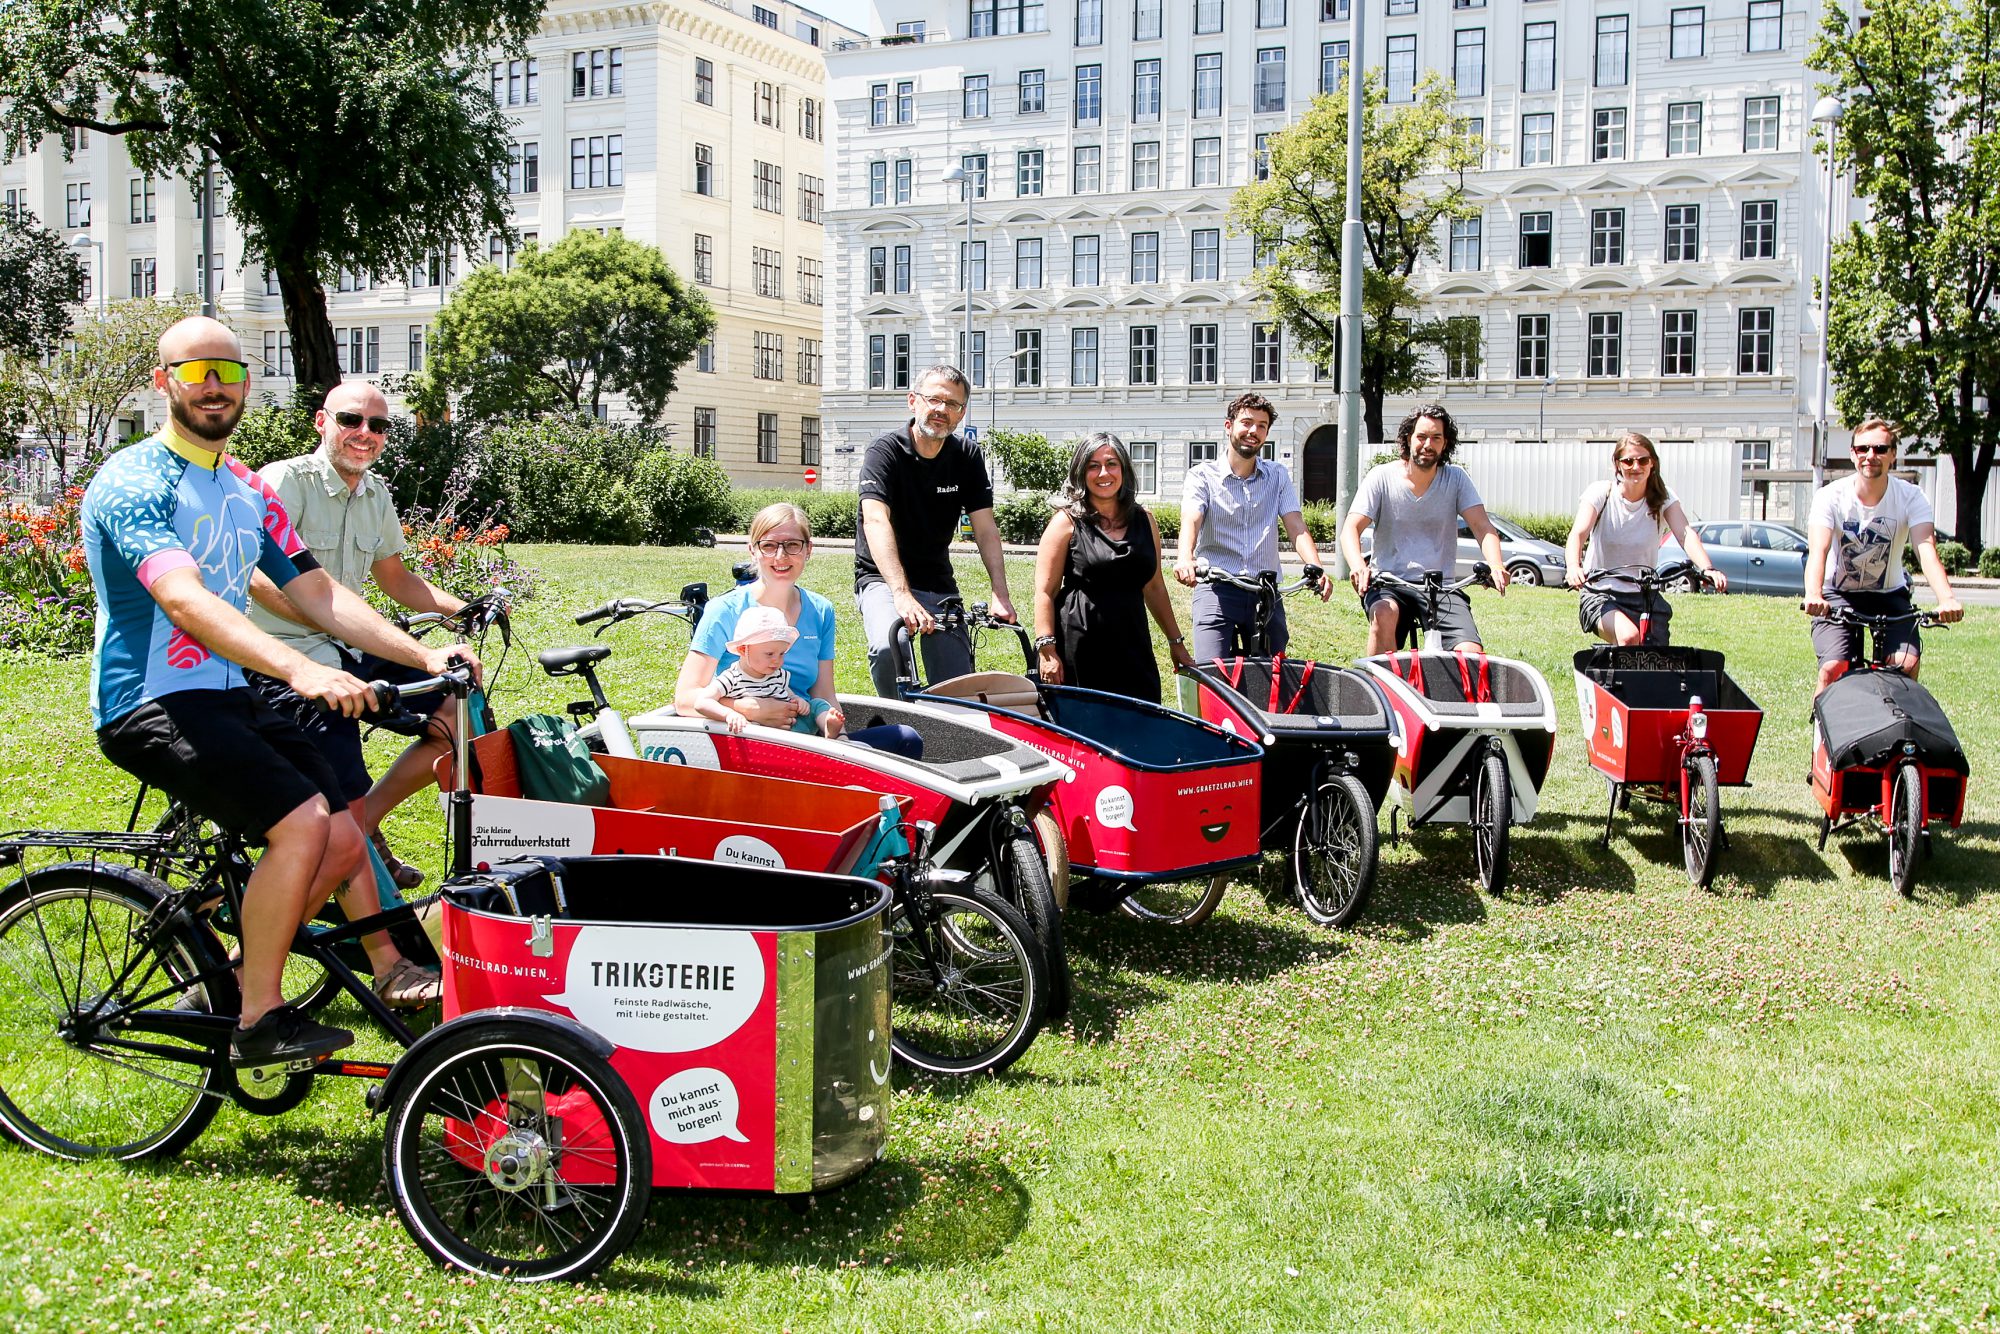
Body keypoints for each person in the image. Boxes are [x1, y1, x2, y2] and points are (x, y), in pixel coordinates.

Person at [81, 316, 476, 1068]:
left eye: (228, 375)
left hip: (228, 693)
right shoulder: (135, 480)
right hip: (151, 700)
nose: (214, 389)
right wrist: (302, 669)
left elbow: (319, 590)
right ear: (164, 382)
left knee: (341, 824)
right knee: (303, 824)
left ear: (246, 387)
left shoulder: (240, 488)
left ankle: (233, 980)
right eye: (197, 375)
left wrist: (419, 651)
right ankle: (260, 1017)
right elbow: (184, 599)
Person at [247, 380, 468, 894]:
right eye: (351, 420)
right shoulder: (284, 481)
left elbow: (396, 577)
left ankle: (366, 820)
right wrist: (322, 619)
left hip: (349, 648)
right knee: (337, 743)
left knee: (457, 705)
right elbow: (253, 576)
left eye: (378, 425)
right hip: (287, 656)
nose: (364, 434)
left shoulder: (374, 492)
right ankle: (357, 851)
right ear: (322, 422)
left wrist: (462, 608)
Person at [854, 365, 1016, 699]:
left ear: (961, 413)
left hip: (936, 581)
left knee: (957, 681)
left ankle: (952, 737)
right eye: (934, 399)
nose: (941, 409)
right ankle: (898, 722)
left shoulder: (967, 456)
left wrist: (1001, 593)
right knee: (890, 646)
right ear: (913, 401)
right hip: (882, 579)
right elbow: (875, 520)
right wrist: (900, 594)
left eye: (952, 404)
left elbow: (985, 529)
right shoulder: (885, 452)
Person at [1803, 417, 1964, 693]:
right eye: (1863, 449)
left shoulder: (1911, 497)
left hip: (1890, 596)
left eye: (1879, 449)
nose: (1870, 456)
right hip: (1837, 596)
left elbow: (1926, 549)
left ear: (1892, 454)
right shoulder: (1830, 497)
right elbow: (1819, 550)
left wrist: (1946, 598)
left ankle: (1898, 726)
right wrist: (1814, 594)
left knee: (1906, 663)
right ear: (1853, 454)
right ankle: (1823, 735)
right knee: (1833, 668)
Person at [1032, 432, 1194, 702]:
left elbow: (1154, 587)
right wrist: (1047, 651)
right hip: (1080, 642)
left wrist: (1176, 642)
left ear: (1124, 470)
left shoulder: (1145, 520)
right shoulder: (1066, 522)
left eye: (1111, 464)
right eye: (1093, 466)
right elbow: (1044, 592)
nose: (1103, 473)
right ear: (1081, 472)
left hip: (1132, 640)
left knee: (1140, 720)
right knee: (1083, 727)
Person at [1171, 392, 1331, 661]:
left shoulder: (1277, 475)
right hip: (1217, 586)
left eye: (1261, 426)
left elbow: (1295, 524)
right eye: (1246, 422)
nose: (1253, 431)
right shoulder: (1202, 476)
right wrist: (1185, 557)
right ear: (1229, 426)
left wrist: (1315, 567)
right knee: (1210, 671)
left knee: (1276, 672)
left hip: (1264, 589)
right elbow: (1192, 518)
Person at [1339, 403, 1508, 655]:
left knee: (1470, 651)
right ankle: (1376, 689)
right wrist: (1358, 566)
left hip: (1441, 586)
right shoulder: (1381, 477)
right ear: (1408, 439)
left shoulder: (1456, 478)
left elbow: (1483, 527)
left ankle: (1445, 694)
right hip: (1389, 583)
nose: (1427, 444)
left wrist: (1495, 564)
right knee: (1383, 615)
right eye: (1421, 436)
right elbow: (1351, 528)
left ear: (1445, 443)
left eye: (1436, 438)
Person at [1563, 432, 1728, 644]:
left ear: (1652, 464)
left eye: (1642, 460)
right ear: (1617, 464)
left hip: (1644, 596)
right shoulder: (1601, 492)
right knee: (1630, 636)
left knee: (1655, 660)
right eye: (1628, 461)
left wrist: (1708, 568)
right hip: (1601, 593)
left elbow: (1685, 534)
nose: (1635, 467)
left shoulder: (1663, 497)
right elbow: (1578, 533)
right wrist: (1573, 567)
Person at [687, 604, 835, 736]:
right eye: (769, 654)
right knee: (751, 728)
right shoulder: (732, 678)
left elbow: (788, 693)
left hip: (792, 726)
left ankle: (831, 730)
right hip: (760, 736)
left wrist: (797, 700)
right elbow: (702, 702)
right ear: (743, 649)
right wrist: (729, 714)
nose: (777, 660)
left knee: (818, 704)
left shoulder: (777, 674)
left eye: (782, 653)